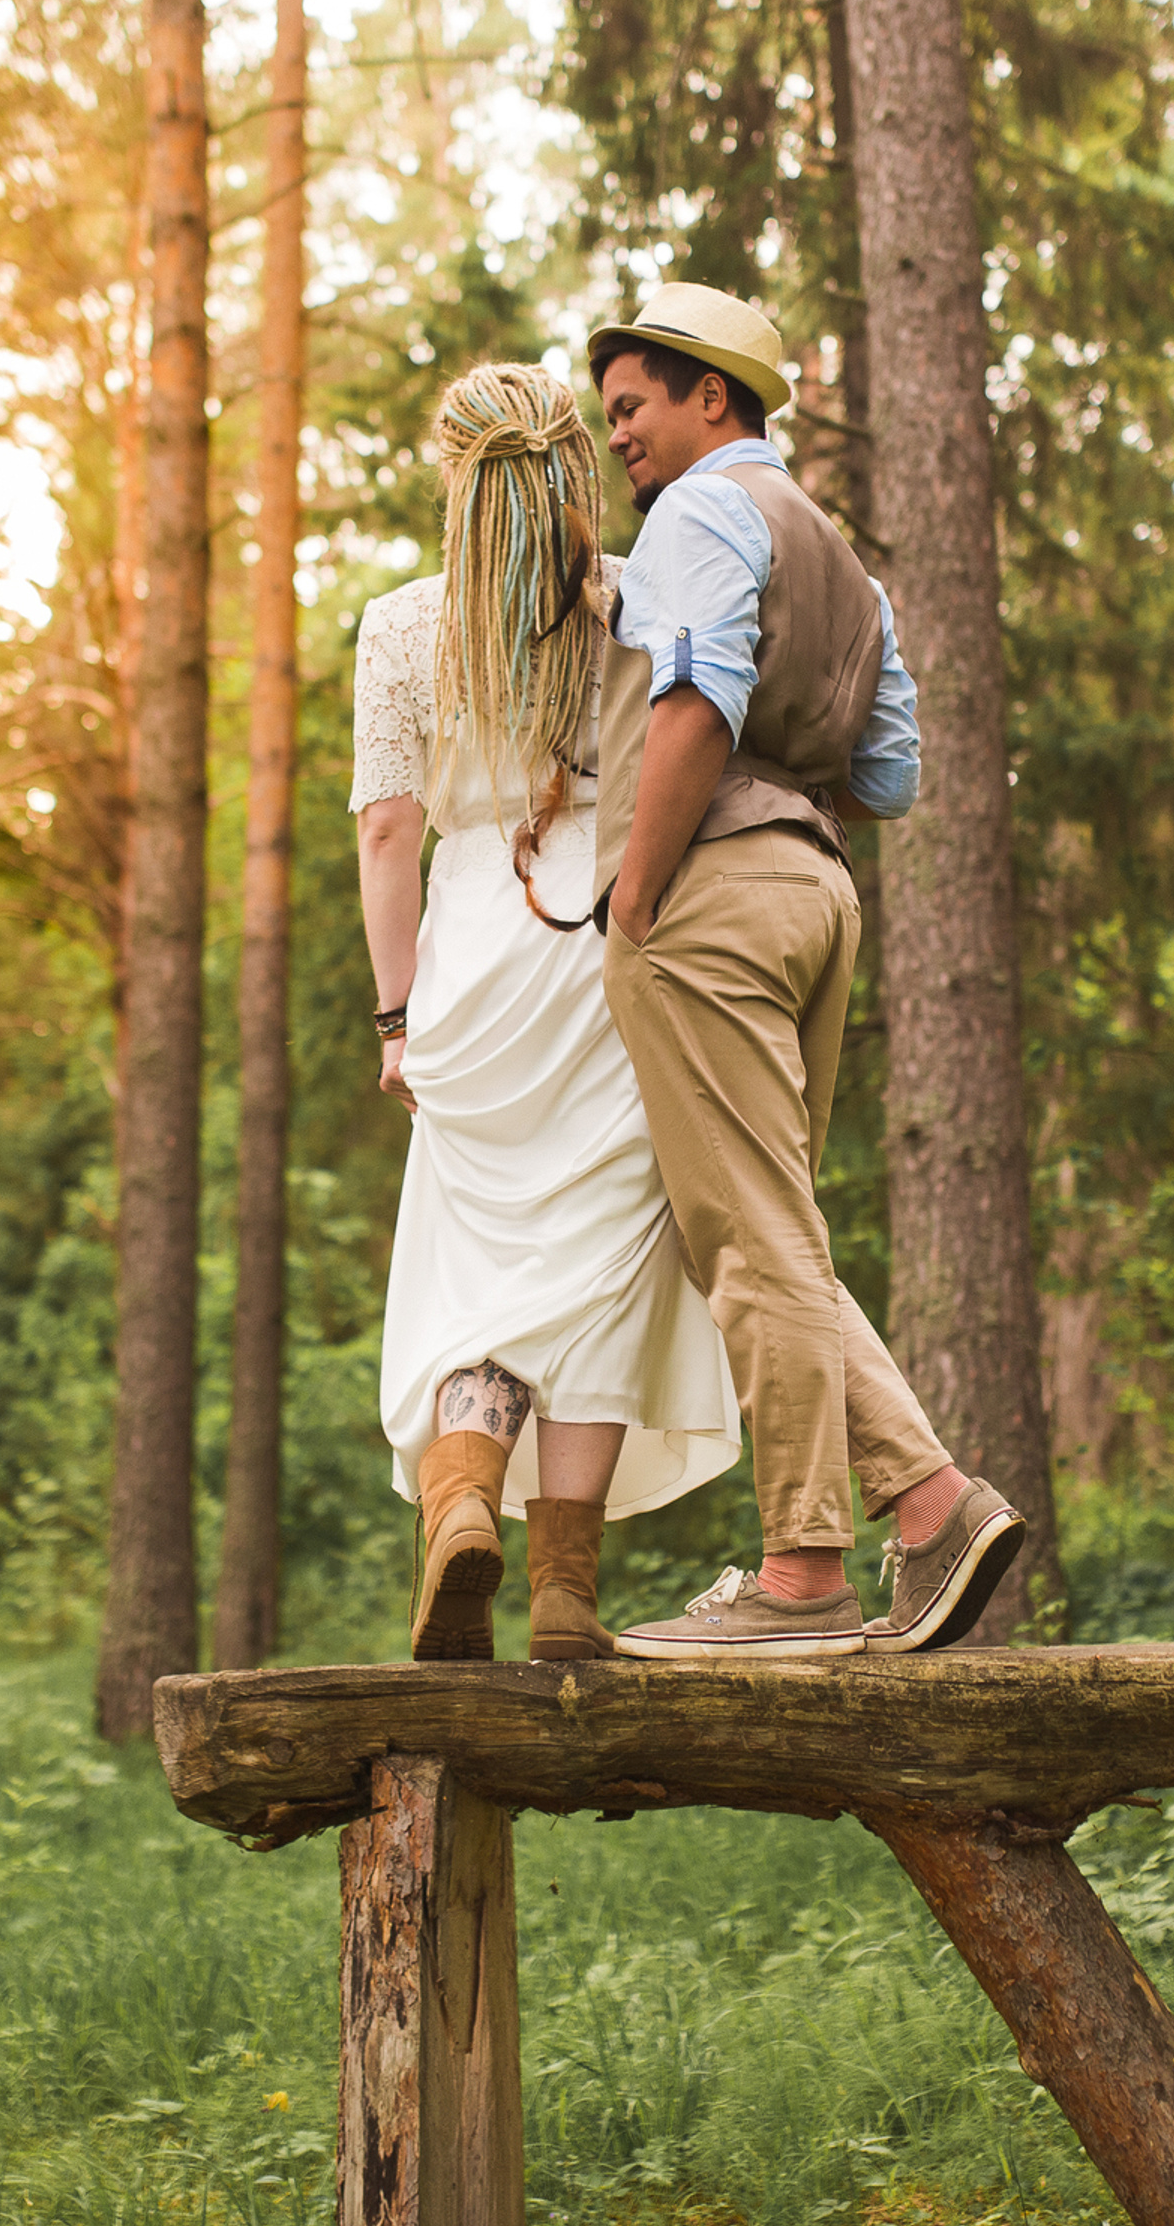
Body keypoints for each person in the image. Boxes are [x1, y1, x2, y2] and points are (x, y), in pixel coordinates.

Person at [586, 283, 1030, 1660]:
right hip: (817, 895)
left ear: (711, 395)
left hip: (707, 892)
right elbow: (888, 773)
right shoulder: (841, 556)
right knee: (770, 1222)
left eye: (633, 409)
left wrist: (640, 892)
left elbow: (695, 698)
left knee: (747, 1235)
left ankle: (800, 1571)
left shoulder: (700, 515)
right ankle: (933, 1502)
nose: (619, 441)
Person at [352, 360, 742, 1664]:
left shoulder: (402, 627)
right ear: (573, 467)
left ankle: (464, 1498)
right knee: (601, 1269)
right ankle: (566, 1588)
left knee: (479, 1270)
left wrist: (397, 1016)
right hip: (607, 938)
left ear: (456, 478)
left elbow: (390, 833)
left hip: (472, 947)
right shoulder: (629, 602)